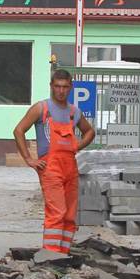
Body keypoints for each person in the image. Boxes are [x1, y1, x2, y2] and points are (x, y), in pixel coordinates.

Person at [12, 70, 96, 254]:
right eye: (57, 86)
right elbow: (18, 131)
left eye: (65, 87)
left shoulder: (74, 112)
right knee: (57, 212)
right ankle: (51, 256)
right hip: (50, 167)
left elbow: (90, 131)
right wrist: (29, 159)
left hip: (70, 166)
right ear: (51, 86)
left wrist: (78, 145)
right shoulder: (41, 108)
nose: (61, 91)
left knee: (69, 215)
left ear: (70, 87)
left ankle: (63, 255)